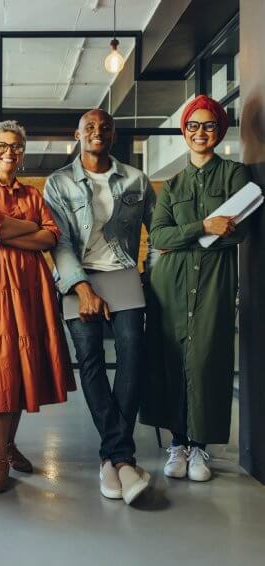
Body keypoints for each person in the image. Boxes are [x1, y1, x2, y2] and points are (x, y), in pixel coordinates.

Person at [44, 109, 156, 505]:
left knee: (133, 354)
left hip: (124, 274)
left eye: (105, 127)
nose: (97, 132)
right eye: (89, 126)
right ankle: (122, 458)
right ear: (77, 134)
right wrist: (81, 286)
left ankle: (114, 458)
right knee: (89, 357)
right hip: (79, 276)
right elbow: (58, 242)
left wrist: (152, 278)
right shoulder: (58, 183)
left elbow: (156, 232)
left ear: (113, 134)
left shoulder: (136, 179)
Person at [140, 95, 252, 482]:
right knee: (171, 360)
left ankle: (201, 447)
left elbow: (240, 230)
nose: (200, 132)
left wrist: (183, 236)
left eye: (208, 126)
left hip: (214, 282)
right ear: (184, 132)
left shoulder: (235, 175)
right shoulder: (171, 185)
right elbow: (158, 236)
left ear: (219, 131)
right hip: (170, 284)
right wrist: (203, 227)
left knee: (207, 359)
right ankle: (178, 443)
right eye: (193, 126)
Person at [0, 120, 76, 493]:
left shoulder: (32, 192)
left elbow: (51, 236)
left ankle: (8, 446)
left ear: (22, 153)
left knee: (22, 364)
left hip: (29, 285)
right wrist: (27, 229)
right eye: (2, 146)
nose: (9, 152)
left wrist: (12, 230)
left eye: (16, 147)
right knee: (0, 365)